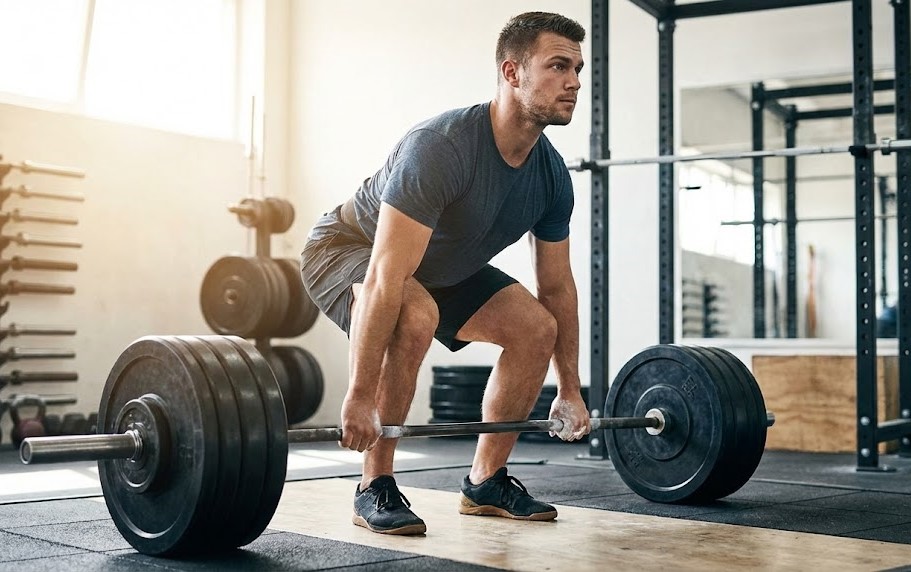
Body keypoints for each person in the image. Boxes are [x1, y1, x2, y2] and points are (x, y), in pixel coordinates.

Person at [300, 11, 590, 536]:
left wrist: (569, 387)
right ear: (511, 72)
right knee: (414, 315)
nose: (573, 81)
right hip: (349, 248)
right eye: (557, 66)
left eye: (577, 68)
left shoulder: (550, 176)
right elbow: (387, 277)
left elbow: (557, 288)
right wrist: (360, 396)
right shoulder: (442, 146)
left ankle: (486, 482)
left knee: (535, 328)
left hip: (440, 267)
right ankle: (374, 485)